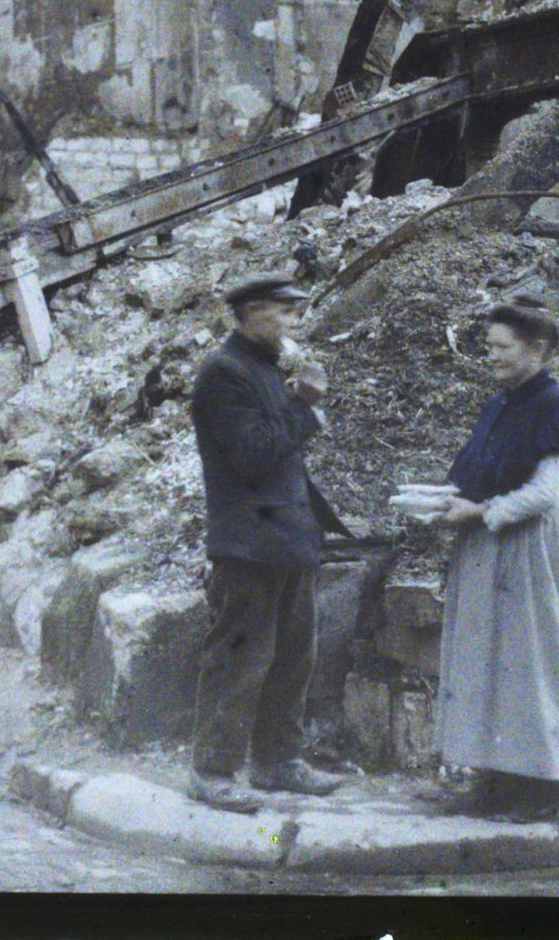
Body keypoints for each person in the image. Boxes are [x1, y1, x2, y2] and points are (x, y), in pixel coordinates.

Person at [424, 293, 559, 820]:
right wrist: (449, 501)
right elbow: (483, 474)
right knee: (490, 662)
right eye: (488, 345)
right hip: (490, 550)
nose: (490, 355)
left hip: (533, 550)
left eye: (501, 346)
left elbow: (549, 492)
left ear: (536, 350)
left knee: (534, 666)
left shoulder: (553, 406)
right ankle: (495, 779)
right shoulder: (500, 404)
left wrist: (478, 512)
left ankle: (542, 788)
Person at [185, 273, 351, 814]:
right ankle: (212, 771)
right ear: (252, 313)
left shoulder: (261, 367)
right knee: (239, 657)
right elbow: (253, 455)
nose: (296, 323)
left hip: (288, 535)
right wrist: (303, 405)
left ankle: (277, 761)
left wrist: (295, 401)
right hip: (248, 540)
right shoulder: (222, 374)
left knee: (292, 654)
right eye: (287, 313)